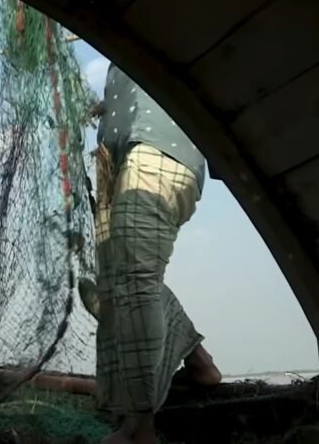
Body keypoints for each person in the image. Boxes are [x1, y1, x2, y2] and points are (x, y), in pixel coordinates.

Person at [93, 65, 222, 444]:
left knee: (134, 281)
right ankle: (200, 363)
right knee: (117, 285)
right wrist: (107, 108)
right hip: (110, 161)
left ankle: (139, 428)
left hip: (158, 149)